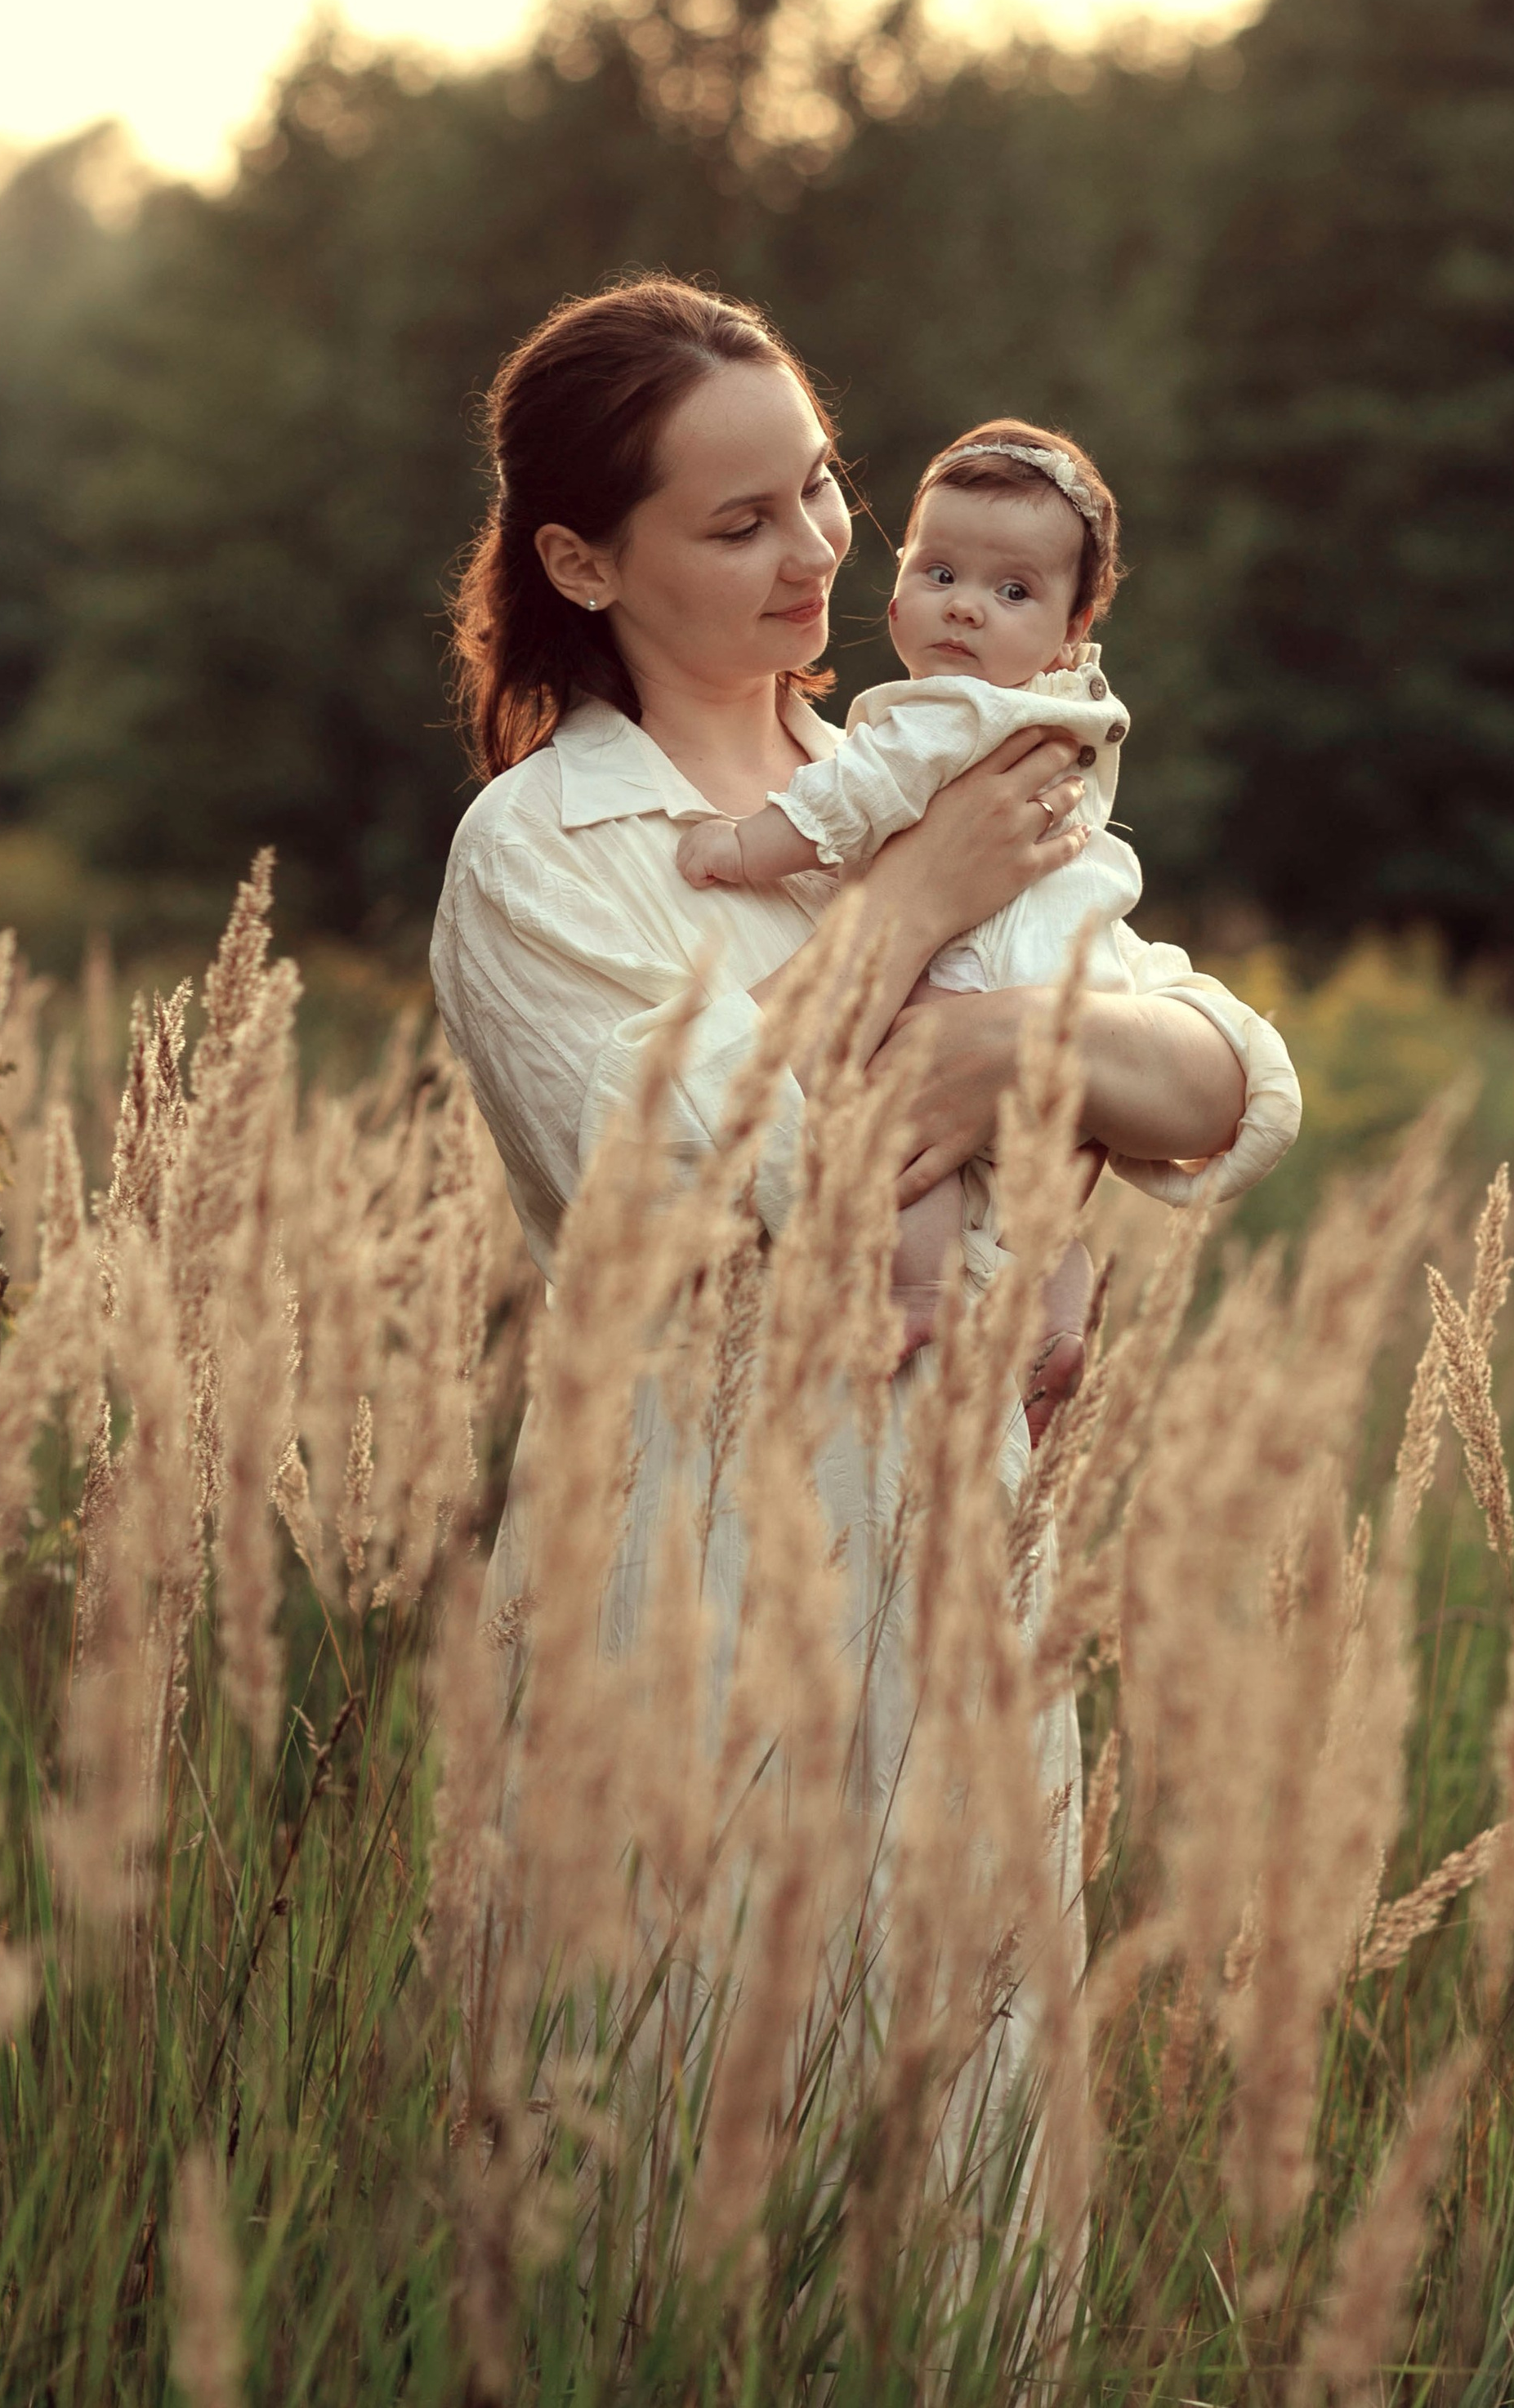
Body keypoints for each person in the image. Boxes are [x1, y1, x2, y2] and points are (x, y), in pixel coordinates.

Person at [427, 274, 1301, 2216]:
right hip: (698, 1559)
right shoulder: (552, 851)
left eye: (821, 488)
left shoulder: (949, 750)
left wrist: (1010, 1042)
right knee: (689, 2163)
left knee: (958, 2175)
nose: (815, 547)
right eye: (738, 521)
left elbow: (1238, 1086)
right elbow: (727, 1158)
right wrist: (912, 905)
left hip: (965, 1543)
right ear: (582, 555)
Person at [676, 418, 1180, 1432]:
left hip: (980, 967)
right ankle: (1056, 1297)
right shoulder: (1047, 713)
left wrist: (745, 848)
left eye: (1012, 593)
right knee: (1012, 1190)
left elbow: (850, 799)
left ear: (1070, 630)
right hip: (1072, 974)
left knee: (902, 1122)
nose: (964, 610)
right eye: (941, 571)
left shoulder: (947, 715)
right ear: (899, 580)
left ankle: (917, 1294)